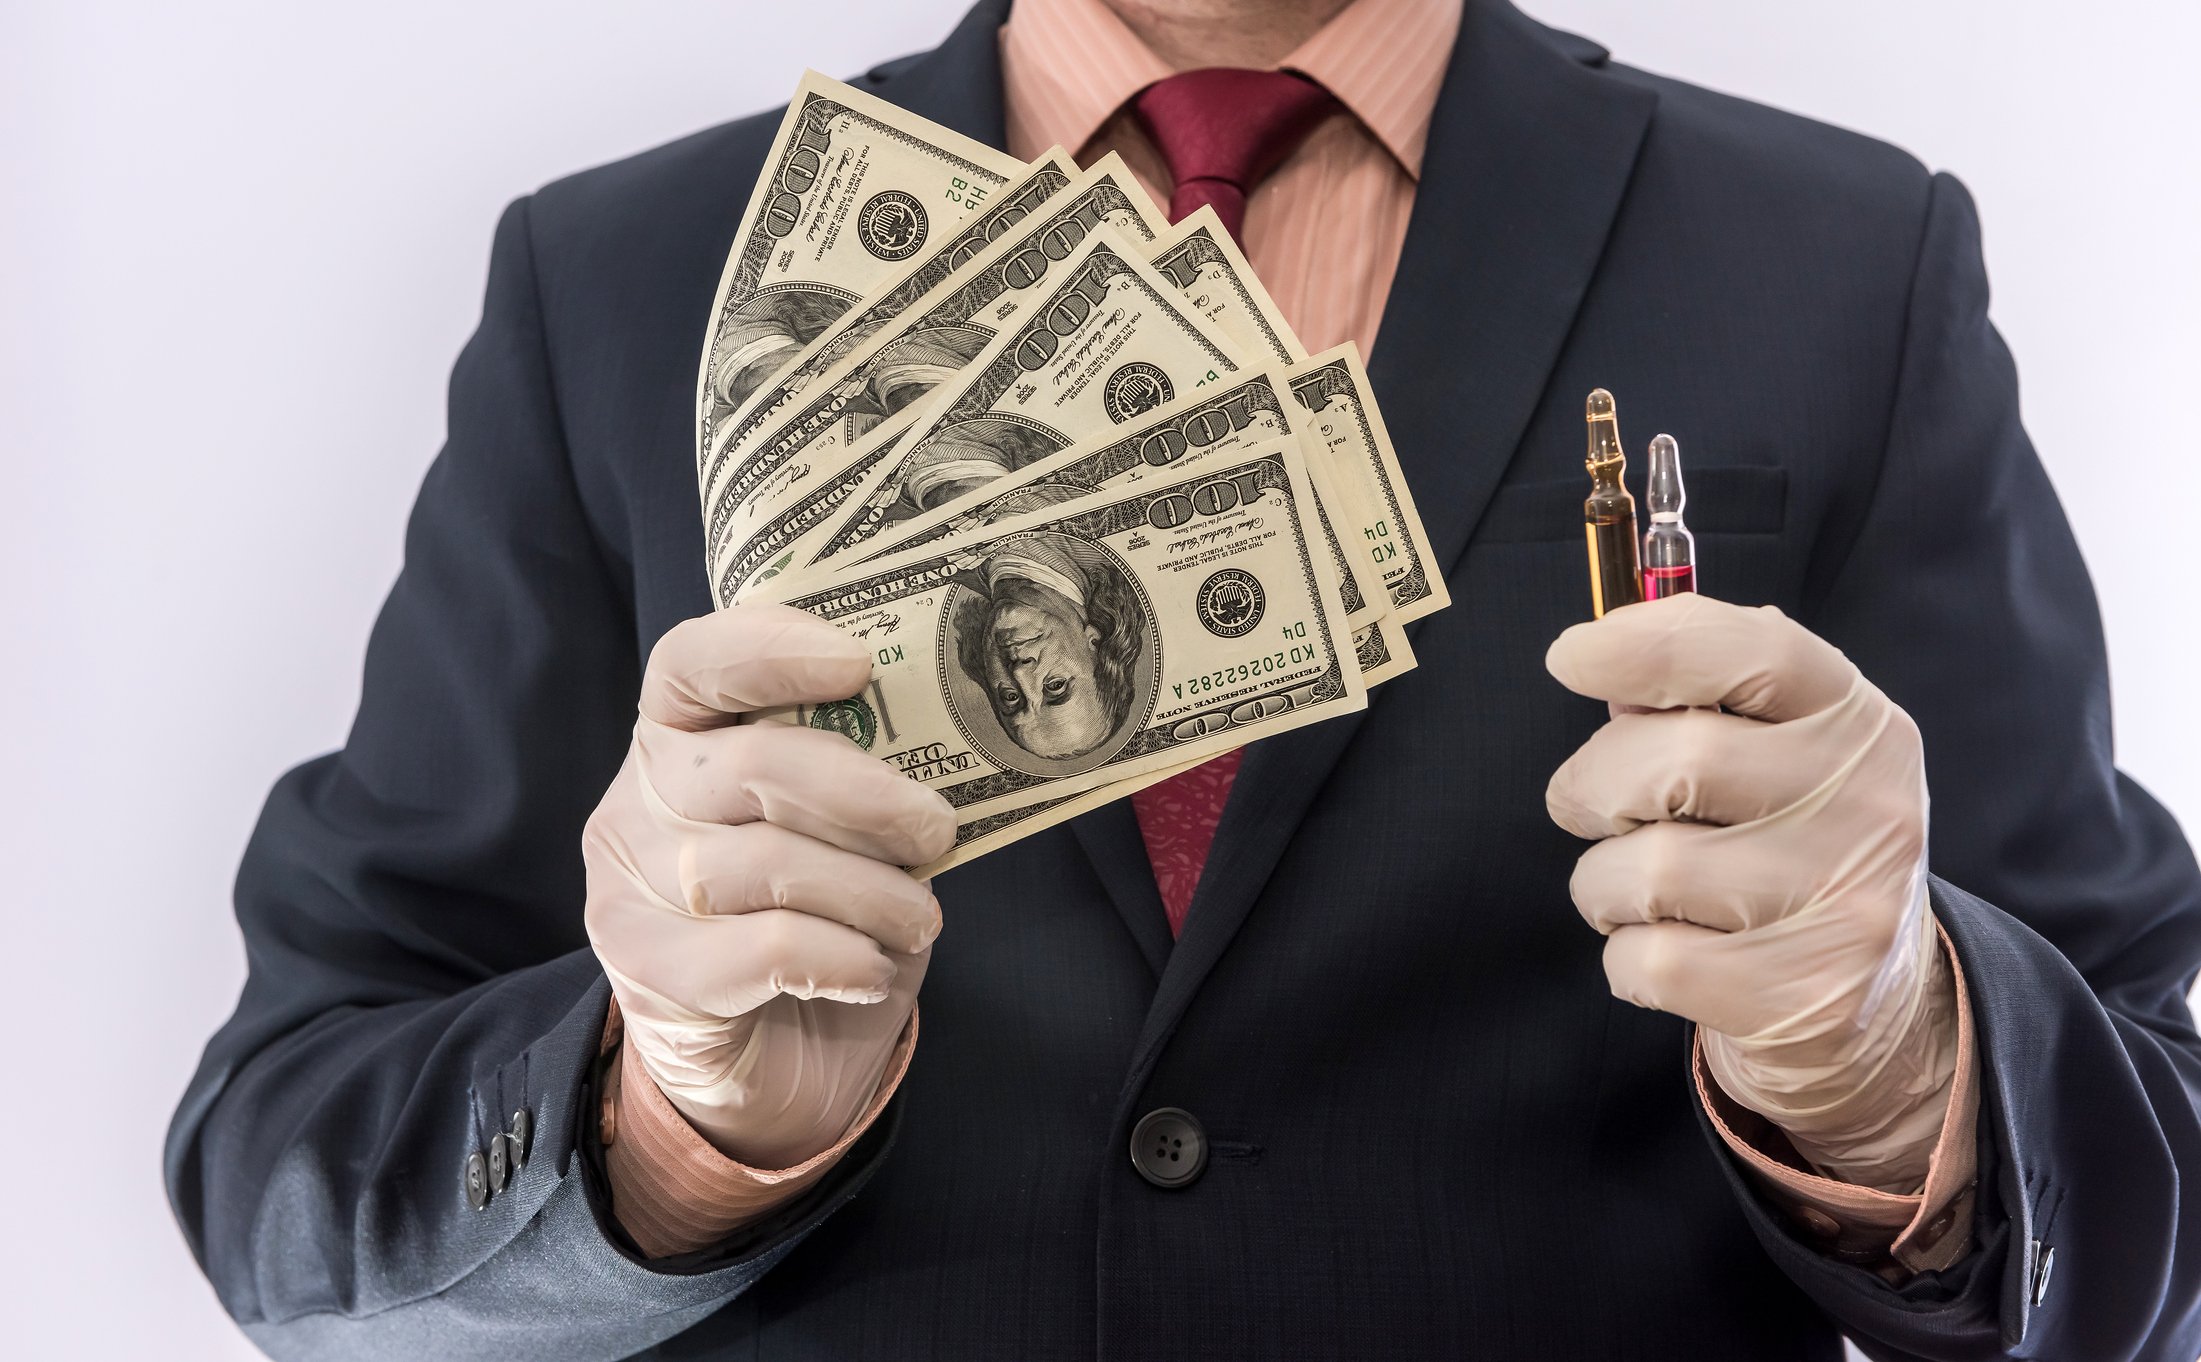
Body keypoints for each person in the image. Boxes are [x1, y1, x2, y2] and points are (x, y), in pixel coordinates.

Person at [164, 0, 2201, 1359]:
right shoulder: (615, 283)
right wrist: (656, 1129)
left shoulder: (1841, 262)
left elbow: (2159, 1199)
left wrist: (1898, 1064)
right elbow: (290, 1176)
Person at [948, 532, 1146, 760]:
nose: (1019, 672)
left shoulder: (945, 566)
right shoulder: (1096, 533)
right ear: (1094, 643)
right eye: (1056, 685)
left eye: (1011, 697)